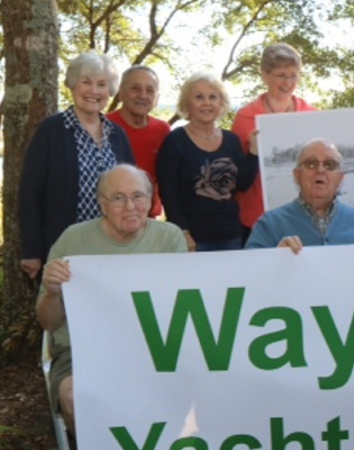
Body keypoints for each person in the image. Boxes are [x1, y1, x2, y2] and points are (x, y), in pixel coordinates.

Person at [37, 164, 187, 432]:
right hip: (82, 350)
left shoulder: (169, 237)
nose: (130, 206)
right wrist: (52, 292)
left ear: (151, 199)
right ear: (102, 204)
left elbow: (181, 305)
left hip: (155, 347)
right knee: (73, 396)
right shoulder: (73, 240)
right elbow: (47, 323)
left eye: (138, 196)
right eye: (118, 198)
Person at [19, 52, 135, 280]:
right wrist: (31, 251)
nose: (94, 91)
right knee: (64, 312)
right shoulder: (50, 131)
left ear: (110, 91)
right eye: (86, 82)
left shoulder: (117, 135)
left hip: (113, 246)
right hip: (65, 247)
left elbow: (133, 188)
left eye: (102, 84)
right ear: (73, 85)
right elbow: (29, 193)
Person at [156, 72, 258, 252]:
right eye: (199, 97)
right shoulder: (175, 141)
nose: (206, 103)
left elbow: (243, 184)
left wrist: (254, 153)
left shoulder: (231, 140)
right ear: (187, 104)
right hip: (193, 239)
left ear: (221, 104)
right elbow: (168, 192)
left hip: (231, 236)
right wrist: (182, 232)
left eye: (213, 97)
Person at [231, 43, 317, 241]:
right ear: (264, 75)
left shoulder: (311, 114)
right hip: (256, 219)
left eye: (293, 75)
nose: (288, 82)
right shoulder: (245, 117)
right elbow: (238, 177)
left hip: (302, 217)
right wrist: (253, 152)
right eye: (281, 75)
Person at [246, 139, 354, 251]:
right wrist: (274, 258)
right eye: (311, 164)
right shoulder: (269, 224)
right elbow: (250, 275)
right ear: (297, 175)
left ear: (340, 178)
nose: (320, 170)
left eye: (329, 165)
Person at [105, 65, 170, 218]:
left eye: (150, 90)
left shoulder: (163, 131)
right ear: (121, 93)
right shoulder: (104, 127)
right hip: (108, 219)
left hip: (148, 219)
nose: (143, 95)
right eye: (135, 88)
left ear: (156, 98)